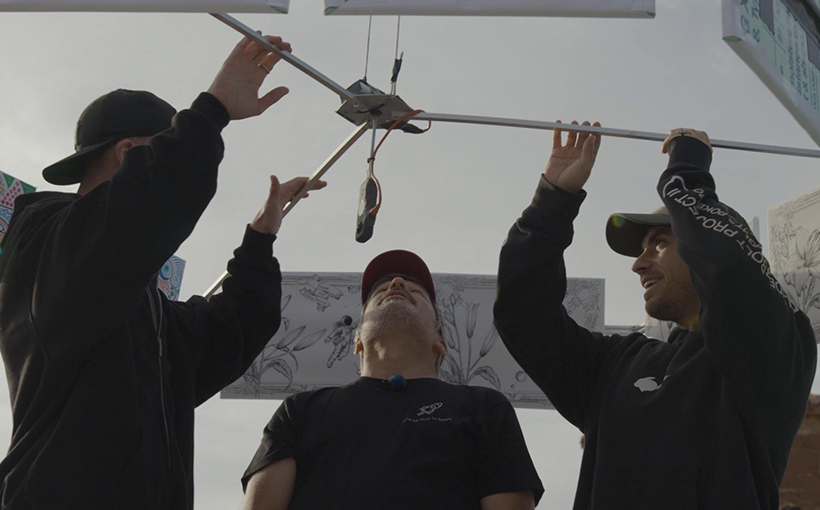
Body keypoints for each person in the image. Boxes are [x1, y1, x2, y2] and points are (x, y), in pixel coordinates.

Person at [0, 34, 327, 510]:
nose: (176, 161)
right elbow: (147, 204)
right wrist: (213, 108)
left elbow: (234, 328)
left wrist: (259, 241)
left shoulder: (148, 317)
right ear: (127, 153)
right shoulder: (43, 249)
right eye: (163, 147)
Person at [494, 122, 817, 509]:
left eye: (659, 243)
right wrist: (553, 200)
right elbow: (523, 313)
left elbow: (732, 268)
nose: (638, 265)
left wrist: (686, 173)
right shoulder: (614, 365)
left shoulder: (773, 349)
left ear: (697, 247)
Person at [241, 250, 544, 510]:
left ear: (440, 341)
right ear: (357, 341)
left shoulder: (485, 408)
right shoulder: (300, 411)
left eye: (415, 291)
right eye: (380, 292)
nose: (397, 283)